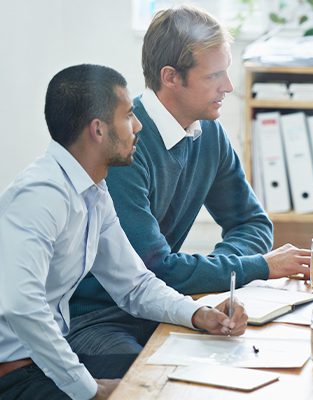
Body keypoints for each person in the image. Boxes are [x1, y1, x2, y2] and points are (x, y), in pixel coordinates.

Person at [67, 5, 309, 369]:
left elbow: (252, 224)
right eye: (214, 75)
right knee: (153, 380)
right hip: (97, 319)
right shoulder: (122, 146)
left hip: (170, 304)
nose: (228, 86)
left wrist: (220, 275)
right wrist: (254, 266)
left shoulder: (208, 133)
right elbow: (156, 269)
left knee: (249, 360)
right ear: (170, 77)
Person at [0, 64, 247, 400]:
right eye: (128, 115)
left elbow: (134, 284)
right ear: (98, 130)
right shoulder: (41, 194)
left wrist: (197, 314)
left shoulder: (93, 192)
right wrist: (90, 389)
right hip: (17, 376)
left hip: (47, 364)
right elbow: (21, 307)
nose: (138, 125)